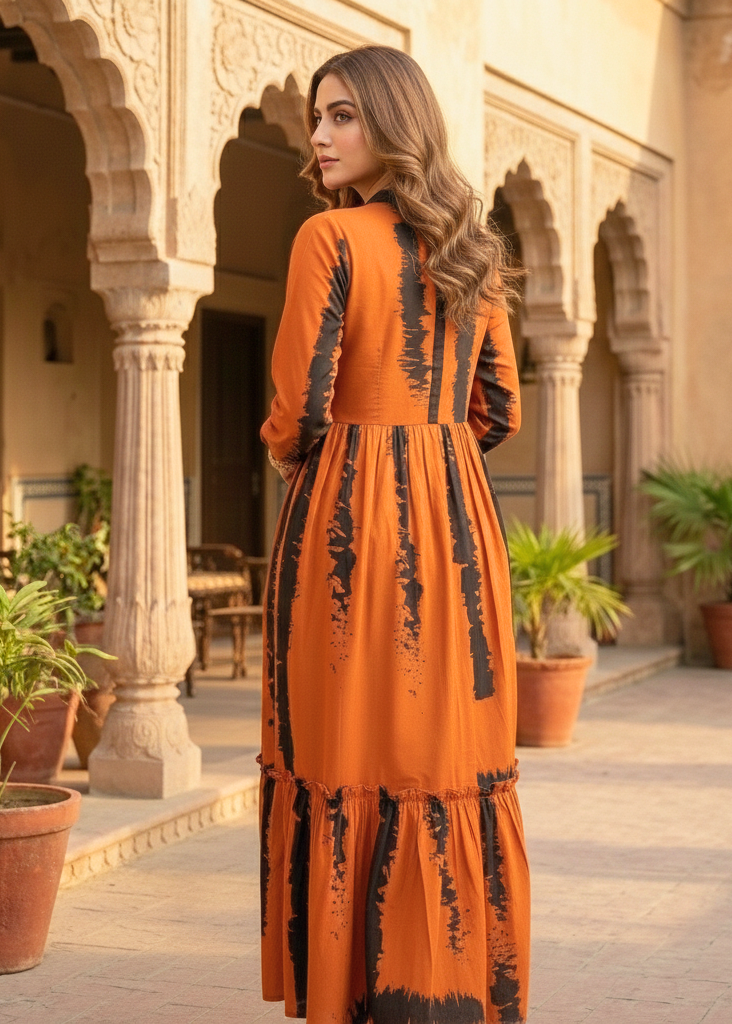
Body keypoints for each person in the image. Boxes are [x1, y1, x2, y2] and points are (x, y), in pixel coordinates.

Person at [259, 44, 530, 1024]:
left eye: (341, 117)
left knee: (352, 754)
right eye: (317, 119)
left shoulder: (327, 242)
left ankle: (359, 989)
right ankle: (450, 983)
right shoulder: (474, 250)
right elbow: (498, 410)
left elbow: (299, 406)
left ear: (392, 123)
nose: (320, 137)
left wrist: (325, 469)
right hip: (458, 527)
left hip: (350, 531)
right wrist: (434, 454)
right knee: (445, 757)